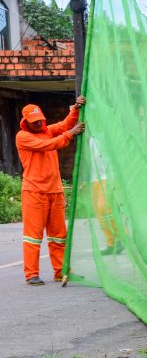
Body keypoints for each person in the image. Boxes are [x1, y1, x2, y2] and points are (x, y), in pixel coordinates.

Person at [16, 97, 86, 285]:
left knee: (58, 236)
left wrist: (76, 110)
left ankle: (60, 272)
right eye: (34, 122)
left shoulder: (46, 131)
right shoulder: (23, 137)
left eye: (40, 120)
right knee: (33, 236)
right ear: (26, 123)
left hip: (55, 191)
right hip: (34, 192)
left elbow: (65, 124)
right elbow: (49, 145)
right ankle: (31, 274)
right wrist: (70, 134)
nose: (39, 124)